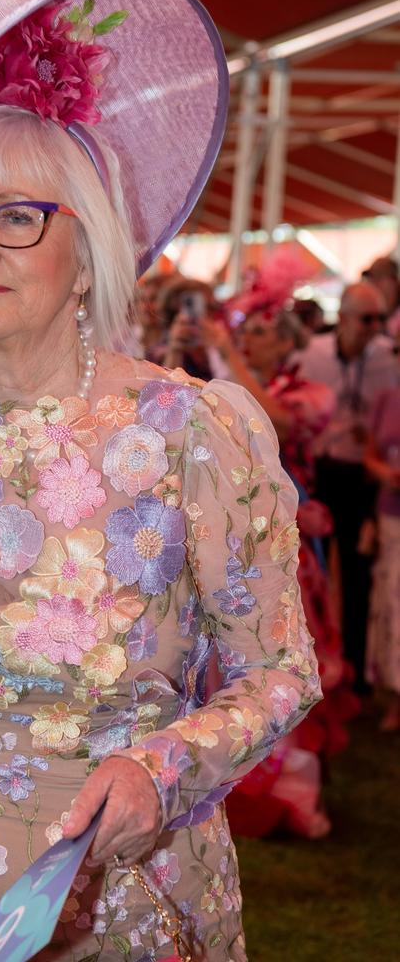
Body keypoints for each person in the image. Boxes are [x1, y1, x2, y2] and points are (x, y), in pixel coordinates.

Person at [0, 0, 320, 961]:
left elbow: (277, 670)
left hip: (122, 902)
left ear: (84, 242)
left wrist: (157, 770)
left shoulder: (188, 432)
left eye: (16, 213)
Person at [204, 268, 357, 837]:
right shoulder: (229, 390)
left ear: (288, 340)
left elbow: (273, 415)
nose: (251, 343)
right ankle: (247, 785)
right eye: (247, 337)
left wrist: (226, 361)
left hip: (295, 553)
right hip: (244, 544)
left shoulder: (309, 394)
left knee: (290, 656)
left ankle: (297, 794)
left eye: (262, 335)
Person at [294, 280, 398, 691]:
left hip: (361, 477)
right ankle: (315, 664)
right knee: (316, 571)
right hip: (322, 471)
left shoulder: (386, 360)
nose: (375, 327)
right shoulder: (313, 355)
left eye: (380, 319)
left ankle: (356, 668)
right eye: (367, 319)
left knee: (358, 573)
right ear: (345, 317)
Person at [364, 343, 400, 731]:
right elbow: (370, 455)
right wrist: (385, 474)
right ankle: (392, 695)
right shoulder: (387, 398)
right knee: (391, 604)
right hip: (391, 516)